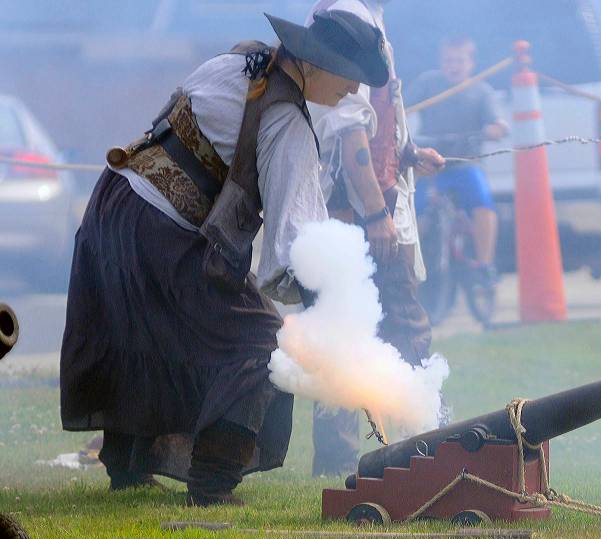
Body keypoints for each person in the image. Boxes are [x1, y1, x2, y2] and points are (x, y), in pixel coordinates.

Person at [59, 11, 389, 506]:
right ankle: (212, 483)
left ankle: (127, 470)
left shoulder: (240, 59)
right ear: (320, 63)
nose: (354, 91)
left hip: (115, 206)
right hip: (160, 230)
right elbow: (299, 245)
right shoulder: (286, 122)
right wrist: (329, 310)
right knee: (263, 344)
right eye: (350, 77)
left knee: (143, 334)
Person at [306, 0, 446, 478]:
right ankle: (423, 451)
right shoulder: (350, 18)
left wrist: (406, 152)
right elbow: (349, 133)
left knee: (347, 338)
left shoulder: (360, 16)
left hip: (362, 208)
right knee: (400, 334)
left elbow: (372, 121)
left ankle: (363, 458)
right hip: (359, 213)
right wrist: (376, 214)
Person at [410, 36, 508, 283]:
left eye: (459, 60)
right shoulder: (427, 84)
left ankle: (484, 265)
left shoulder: (482, 91)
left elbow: (498, 124)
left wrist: (494, 130)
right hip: (431, 166)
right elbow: (403, 105)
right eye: (448, 60)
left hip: (466, 164)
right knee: (412, 209)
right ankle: (411, 265)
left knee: (483, 204)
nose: (453, 66)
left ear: (471, 63)